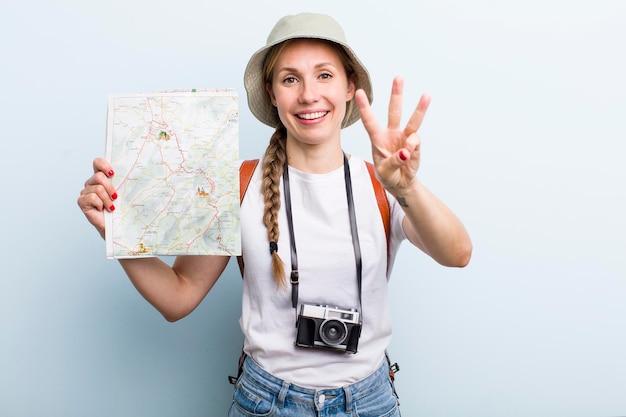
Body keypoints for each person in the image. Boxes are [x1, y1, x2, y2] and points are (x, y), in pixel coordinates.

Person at [77, 12, 472, 417]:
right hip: (266, 403)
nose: (308, 95)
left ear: (350, 86)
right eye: (290, 79)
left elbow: (457, 253)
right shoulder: (239, 186)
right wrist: (119, 236)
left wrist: (405, 187)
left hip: (369, 402)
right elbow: (179, 297)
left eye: (324, 75)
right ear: (271, 92)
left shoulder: (381, 187)